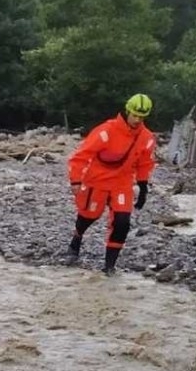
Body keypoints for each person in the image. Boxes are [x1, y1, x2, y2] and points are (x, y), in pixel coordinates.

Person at [64, 93, 157, 275]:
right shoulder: (106, 131)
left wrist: (143, 186)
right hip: (97, 180)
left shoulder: (146, 137)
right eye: (135, 115)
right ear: (127, 111)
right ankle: (76, 239)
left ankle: (109, 266)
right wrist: (75, 180)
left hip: (122, 184)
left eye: (142, 117)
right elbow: (81, 156)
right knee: (88, 215)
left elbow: (145, 162)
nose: (137, 120)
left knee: (122, 222)